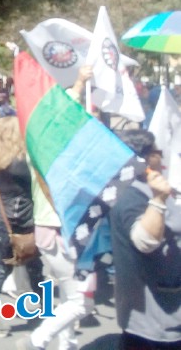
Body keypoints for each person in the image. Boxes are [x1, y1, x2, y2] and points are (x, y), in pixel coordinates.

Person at [110, 130, 181, 349]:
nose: (162, 155)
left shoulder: (151, 183)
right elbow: (145, 241)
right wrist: (159, 199)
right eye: (158, 151)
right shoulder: (130, 194)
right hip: (156, 319)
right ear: (145, 158)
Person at [0, 116, 43, 338]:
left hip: (3, 218)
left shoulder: (0, 158)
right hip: (18, 220)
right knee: (15, 267)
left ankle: (37, 309)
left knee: (14, 267)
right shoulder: (20, 163)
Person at [16, 163, 95, 349]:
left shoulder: (42, 154)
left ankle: (67, 345)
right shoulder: (58, 161)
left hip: (49, 228)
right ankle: (36, 340)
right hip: (59, 231)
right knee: (82, 303)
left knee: (69, 296)